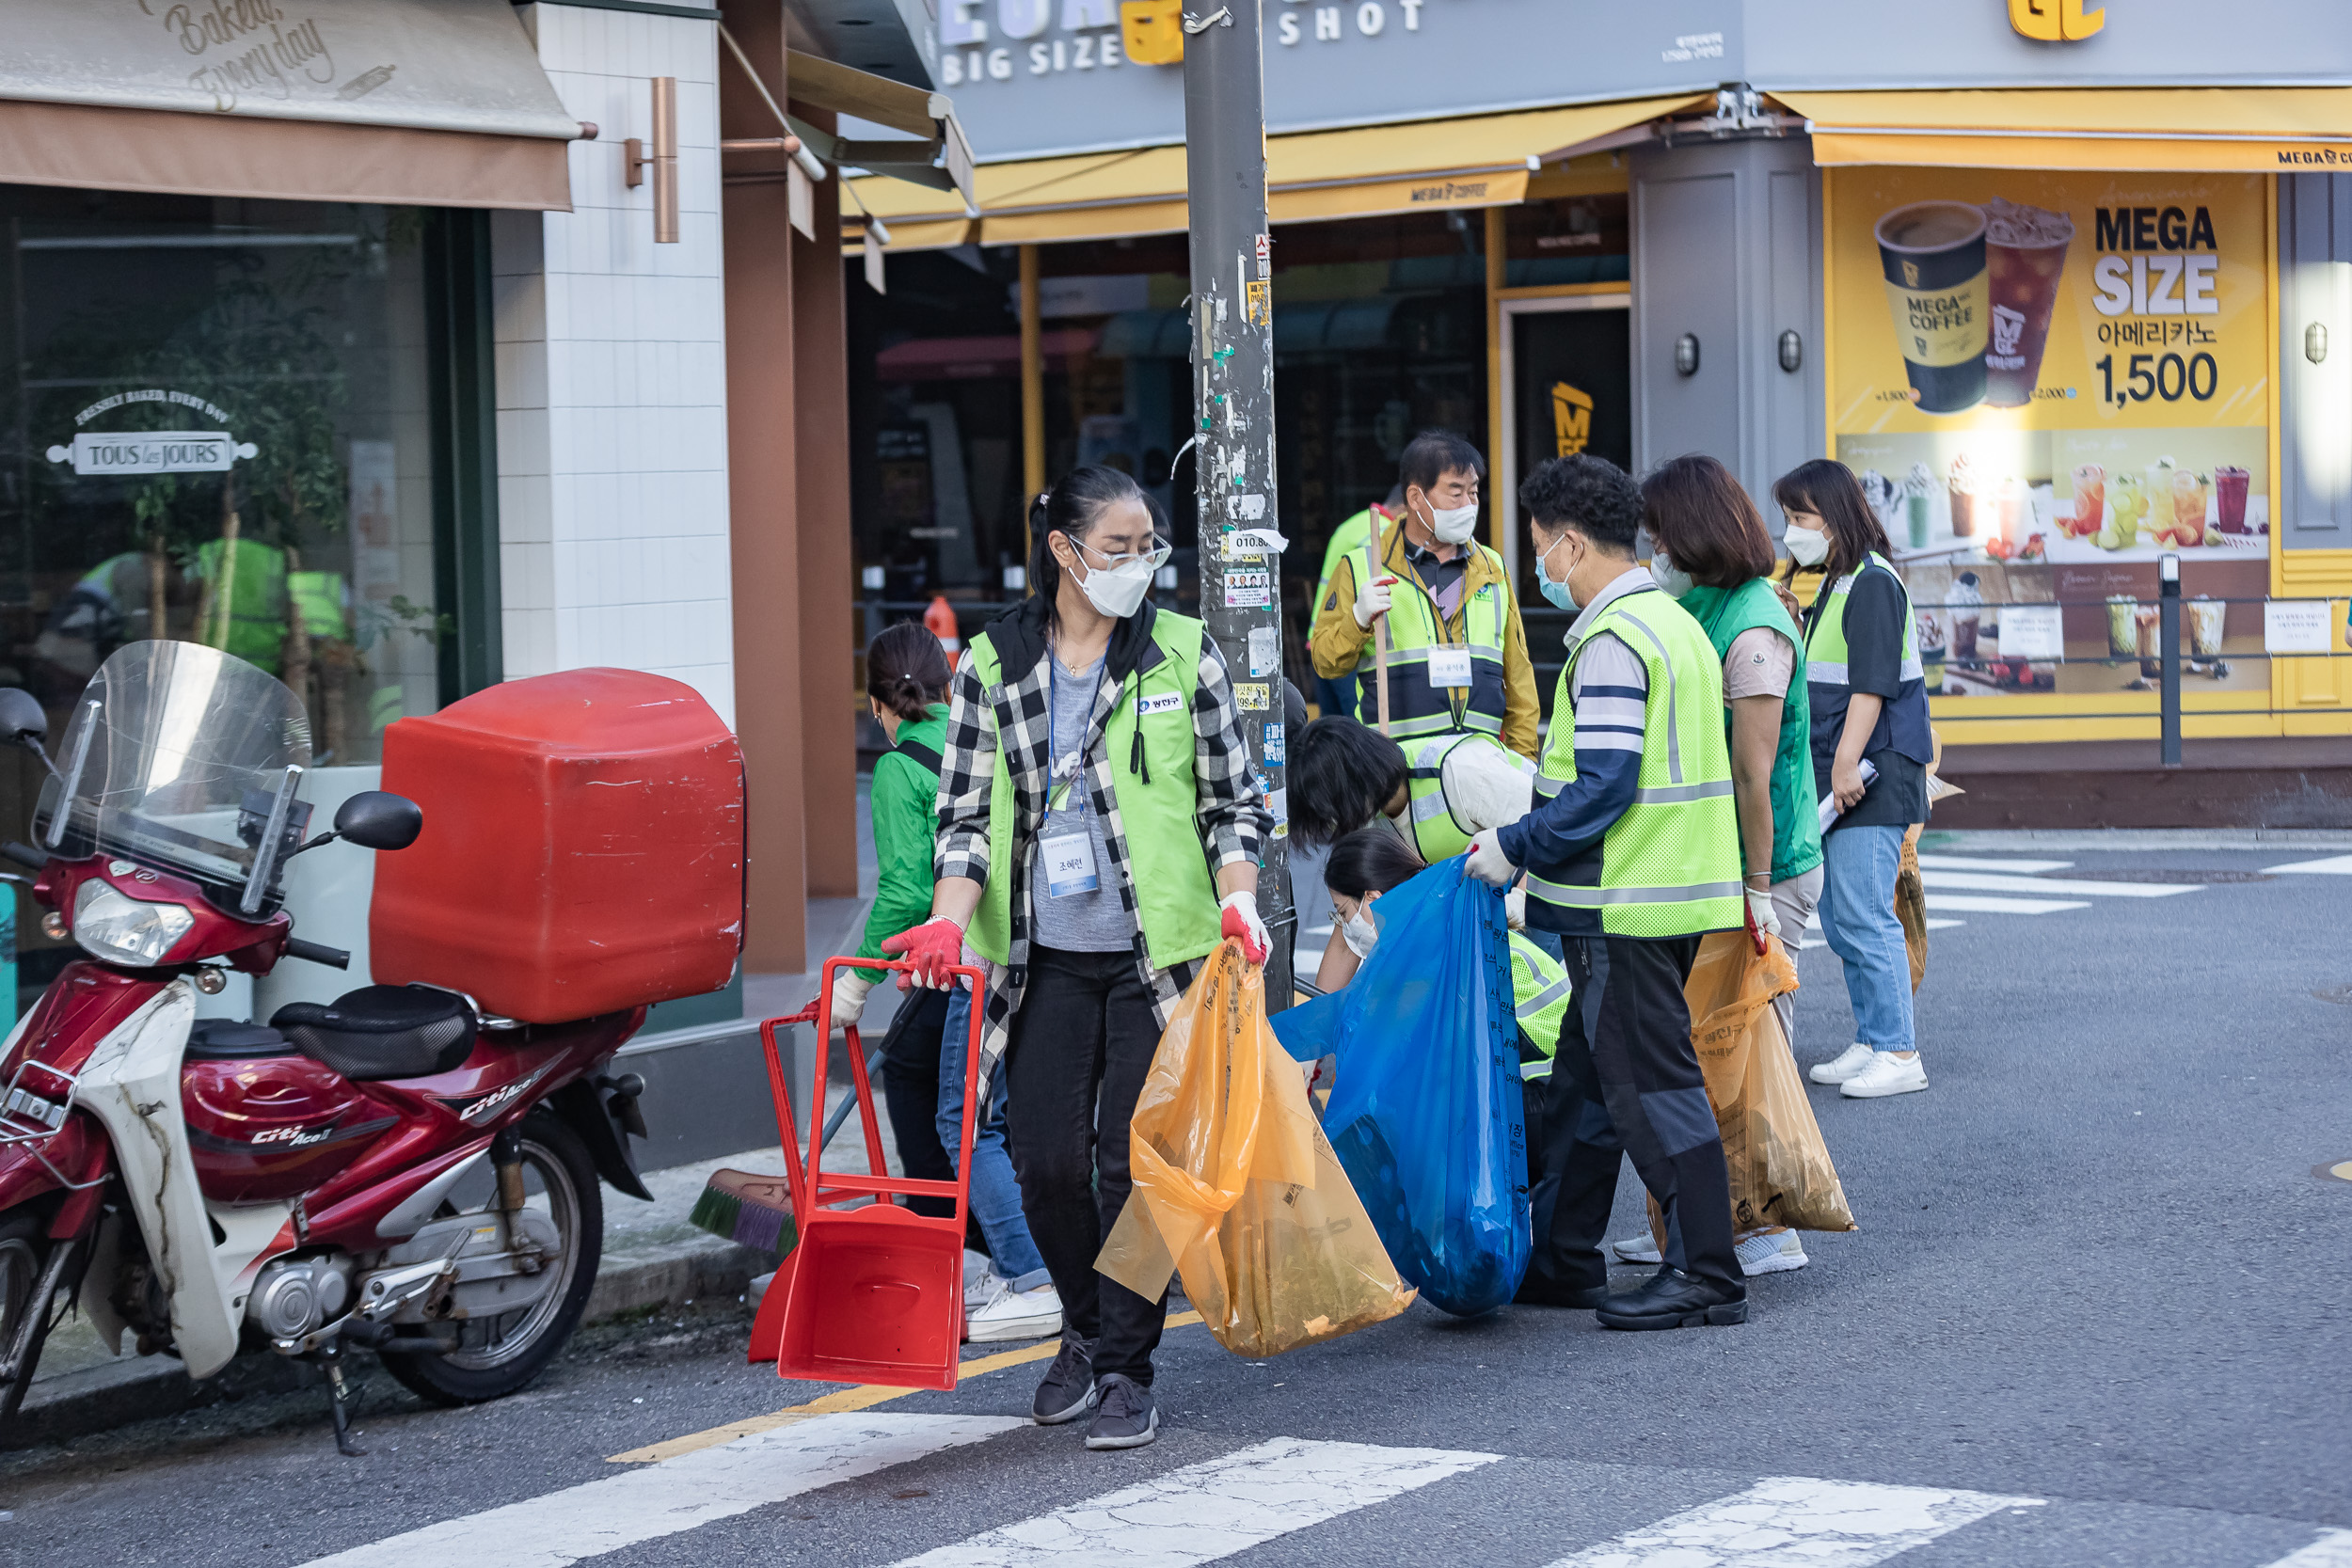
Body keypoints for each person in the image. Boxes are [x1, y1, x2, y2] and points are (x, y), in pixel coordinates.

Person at [885, 466, 1272, 1452]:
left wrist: (1236, 898)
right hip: (1043, 958)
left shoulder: (1182, 653)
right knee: (1045, 1163)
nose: (1137, 565)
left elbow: (1233, 800)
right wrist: (945, 917)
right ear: (1063, 551)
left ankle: (1125, 1367)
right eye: (1116, 548)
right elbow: (965, 818)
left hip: (1162, 956)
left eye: (1148, 547)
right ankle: (1087, 1322)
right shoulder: (990, 664)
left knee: (1132, 1162)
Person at [1463, 453, 1747, 1330]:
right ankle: (1563, 1256)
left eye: (1543, 547)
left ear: (1574, 543)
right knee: (1592, 1089)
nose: (1541, 565)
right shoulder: (1672, 623)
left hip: (1627, 901)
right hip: (1659, 892)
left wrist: (1515, 844)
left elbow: (1608, 782)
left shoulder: (1613, 640)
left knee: (1650, 1087)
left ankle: (1707, 1271)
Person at [1603, 454, 1823, 1280]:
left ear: (1690, 533)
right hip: (1713, 869)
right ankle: (1694, 1216)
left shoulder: (1756, 623)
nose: (1651, 550)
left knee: (1744, 1056)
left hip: (1763, 870)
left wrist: (1757, 893)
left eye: (1659, 534)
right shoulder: (1702, 603)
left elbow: (1751, 776)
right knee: (1701, 1049)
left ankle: (1764, 1226)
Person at [835, 623, 1064, 1343]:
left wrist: (859, 981)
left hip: (968, 949)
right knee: (1006, 1106)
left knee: (957, 1118)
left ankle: (1016, 1269)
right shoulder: (978, 732)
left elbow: (907, 889)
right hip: (1034, 937)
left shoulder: (900, 767)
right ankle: (1003, 1255)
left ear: (878, 705)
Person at [1774, 459, 1935, 1101]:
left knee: (1866, 916)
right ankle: (1873, 1037)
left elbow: (1873, 685)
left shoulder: (1872, 582)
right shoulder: (1841, 582)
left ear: (1835, 516)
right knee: (1843, 918)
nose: (1792, 532)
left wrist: (1843, 764)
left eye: (1801, 517)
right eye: (1788, 518)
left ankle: (1899, 1049)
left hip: (1871, 772)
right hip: (1848, 775)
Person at [1310, 431, 1540, 759]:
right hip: (1396, 778)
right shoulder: (1363, 566)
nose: (1469, 505)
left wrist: (1523, 760)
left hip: (1482, 775)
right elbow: (1325, 662)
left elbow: (1519, 679)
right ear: (1416, 498)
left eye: (1473, 492)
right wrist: (1357, 620)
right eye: (1455, 493)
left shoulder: (1492, 568)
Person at [1287, 713, 1538, 988]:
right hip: (1481, 920)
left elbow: (1546, 829)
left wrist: (1521, 898)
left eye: (1333, 815)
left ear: (1352, 788)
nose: (1336, 829)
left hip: (1539, 890)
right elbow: (1348, 926)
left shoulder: (1462, 772)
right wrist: (1321, 1018)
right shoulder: (1364, 818)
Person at [1320, 827, 1569, 1098]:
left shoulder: (1434, 951)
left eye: (1343, 913)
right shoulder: (1441, 917)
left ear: (1373, 898)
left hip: (1546, 1086)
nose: (1345, 927)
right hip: (1552, 1072)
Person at [1310, 484, 1405, 720]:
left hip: (1323, 641)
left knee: (1334, 740)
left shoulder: (1352, 525)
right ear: (1407, 506)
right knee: (1357, 741)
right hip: (1350, 644)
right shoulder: (1381, 534)